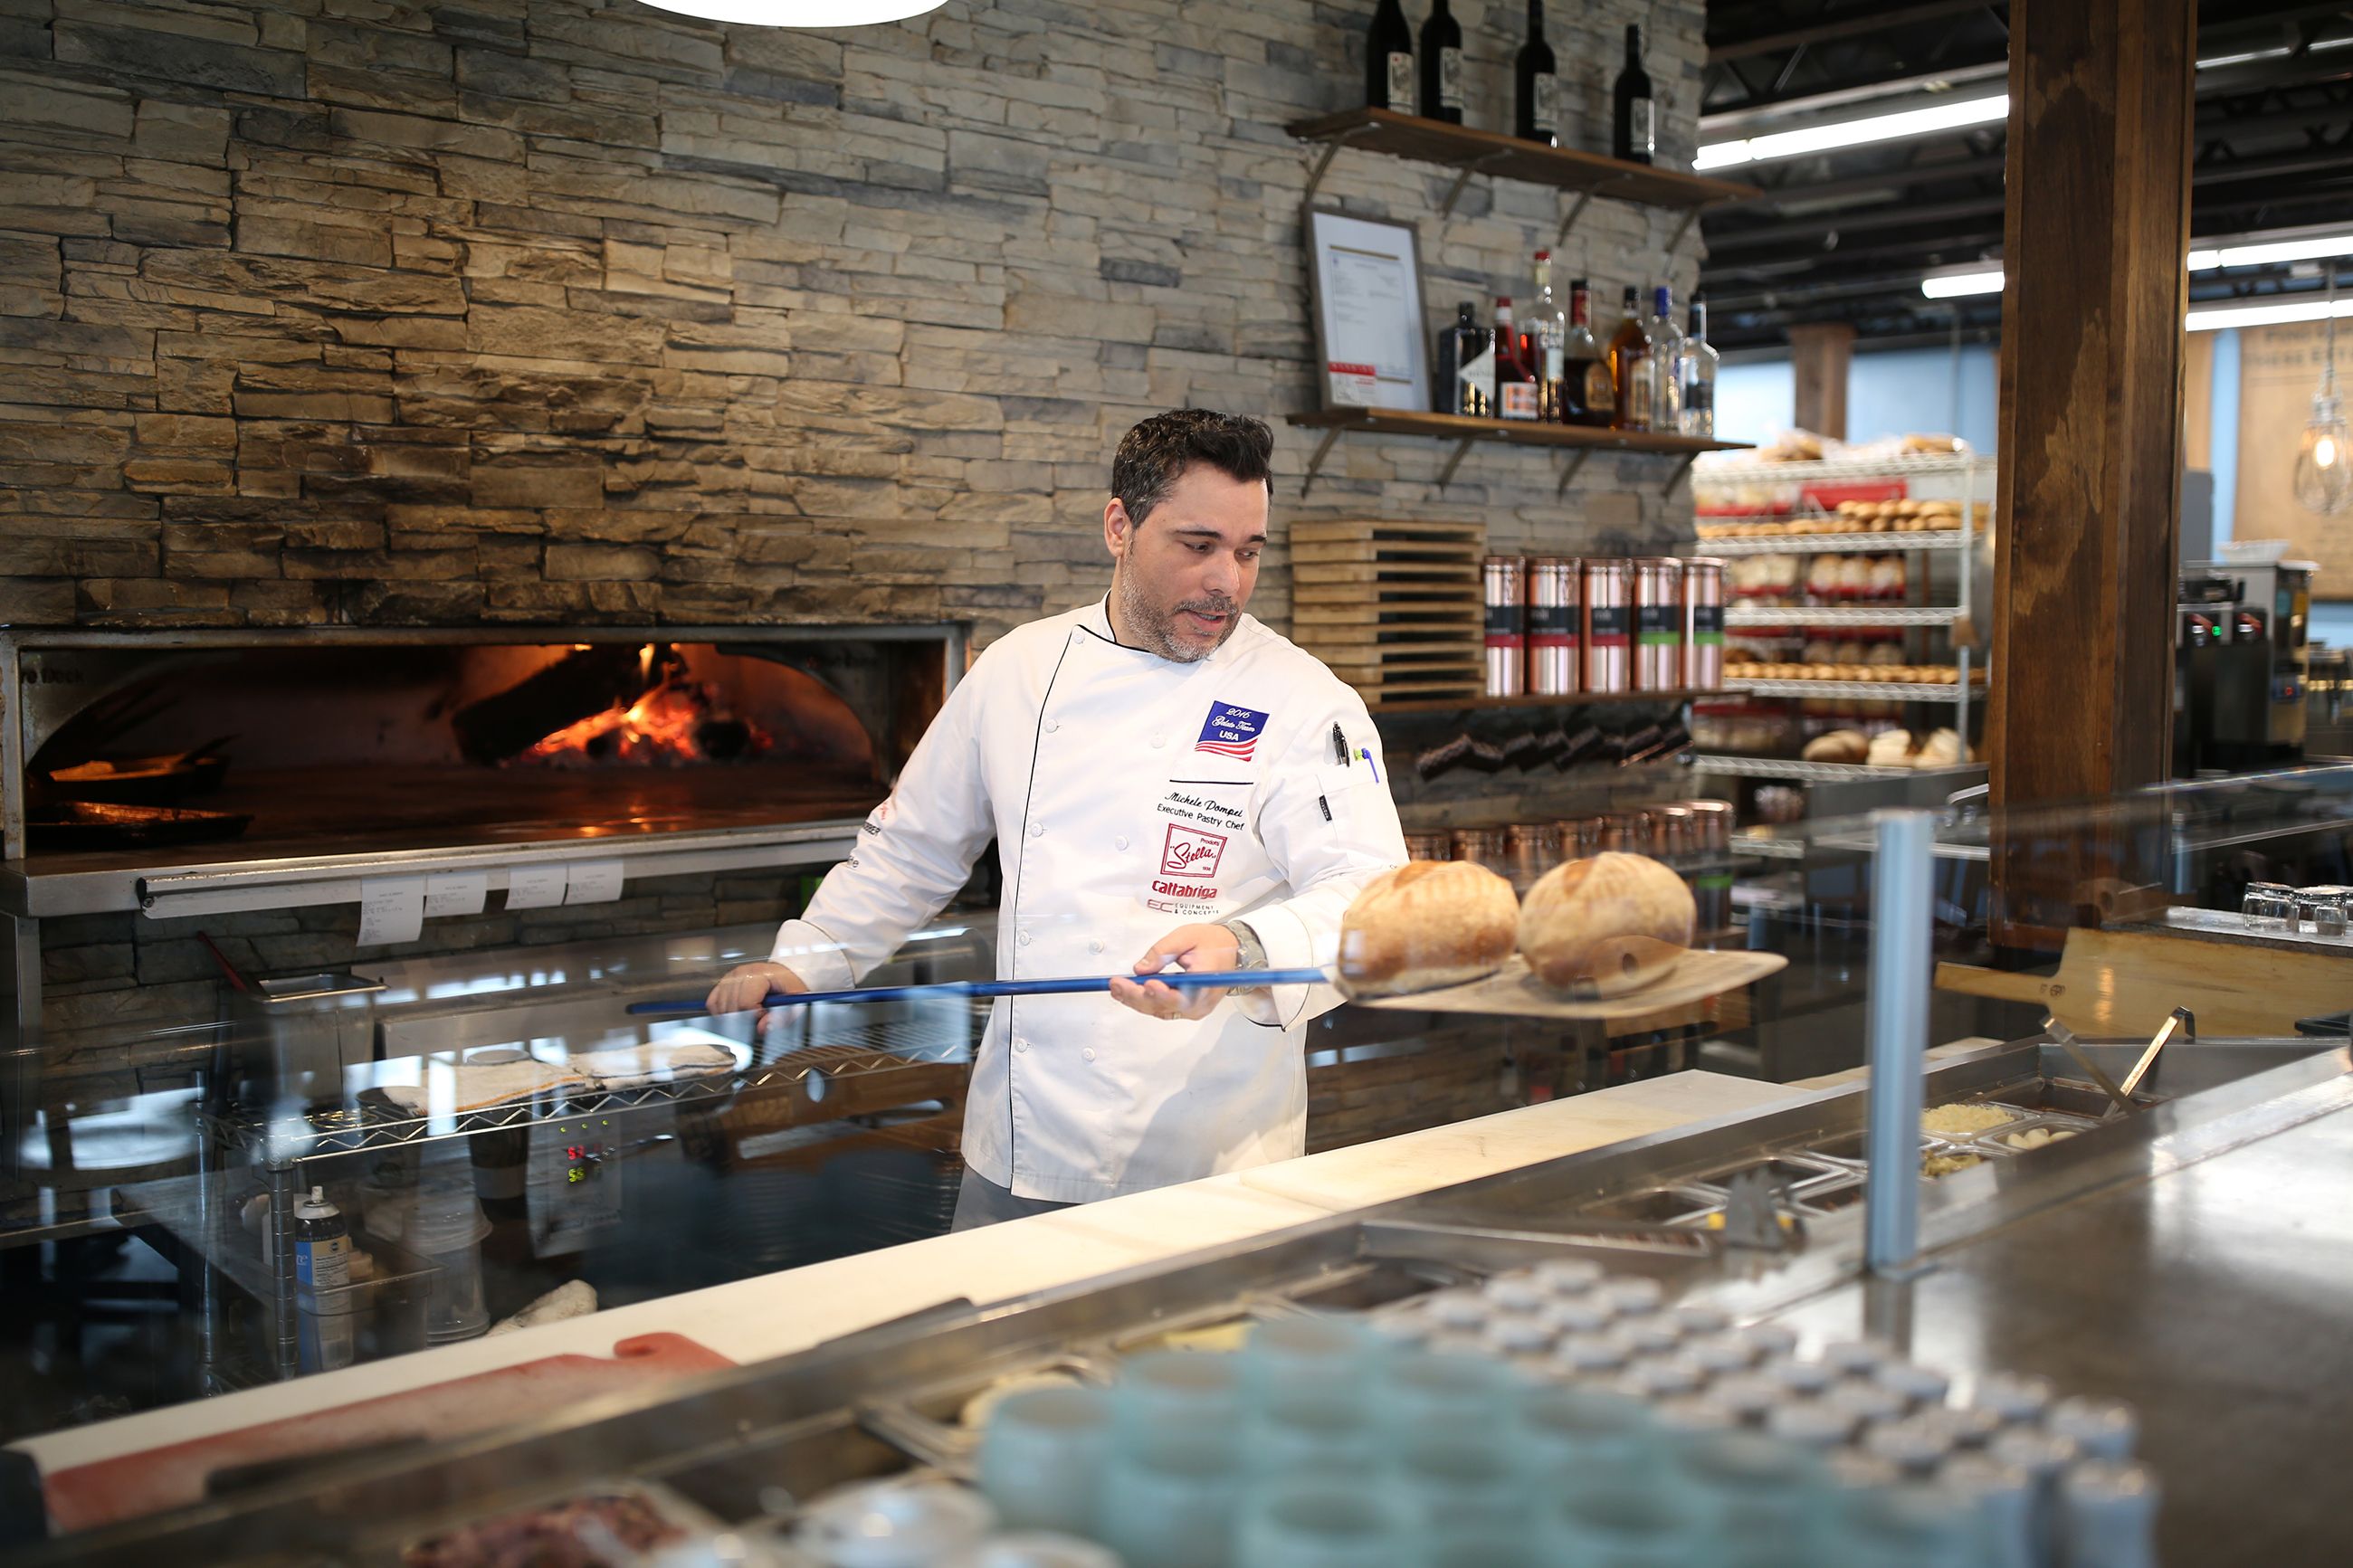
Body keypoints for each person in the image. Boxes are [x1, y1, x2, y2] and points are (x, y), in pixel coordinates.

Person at [708, 409, 1406, 1230]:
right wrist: (808, 963)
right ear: (1120, 526)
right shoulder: (1020, 671)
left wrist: (1245, 950)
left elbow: (1371, 894)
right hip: (1019, 1153)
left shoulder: (1304, 699)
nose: (1228, 580)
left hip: (1210, 1167)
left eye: (1248, 551)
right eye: (1198, 545)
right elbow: (910, 848)